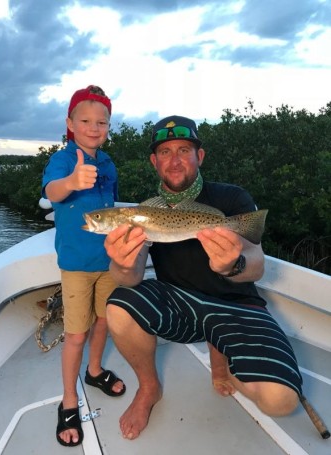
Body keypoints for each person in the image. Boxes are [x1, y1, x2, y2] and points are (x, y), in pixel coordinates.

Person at [104, 115, 303, 441]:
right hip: (180, 303)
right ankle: (149, 387)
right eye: (165, 152)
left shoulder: (231, 199)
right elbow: (131, 276)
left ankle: (225, 359)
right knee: (119, 304)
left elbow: (257, 264)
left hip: (236, 303)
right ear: (154, 162)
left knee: (281, 400)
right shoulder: (145, 212)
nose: (175, 160)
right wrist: (122, 265)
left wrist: (232, 265)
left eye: (184, 149)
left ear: (200, 156)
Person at [42, 85, 126, 447]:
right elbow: (52, 191)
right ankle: (69, 399)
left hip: (108, 261)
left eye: (102, 121)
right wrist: (72, 182)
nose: (94, 127)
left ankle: (94, 372)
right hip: (77, 265)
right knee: (76, 333)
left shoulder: (108, 163)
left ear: (108, 126)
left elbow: (114, 207)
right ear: (70, 123)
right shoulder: (64, 159)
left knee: (104, 321)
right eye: (86, 120)